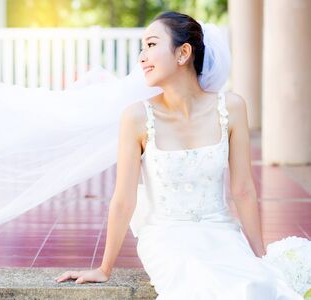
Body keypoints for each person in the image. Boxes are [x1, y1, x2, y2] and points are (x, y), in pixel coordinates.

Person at [54, 11, 304, 300]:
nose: (142, 57)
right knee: (199, 279)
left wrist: (261, 256)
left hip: (221, 231)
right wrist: (104, 268)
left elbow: (243, 189)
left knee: (256, 284)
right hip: (166, 236)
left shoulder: (232, 107)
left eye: (150, 45)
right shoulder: (136, 116)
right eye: (142, 48)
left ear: (183, 53)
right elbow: (123, 200)